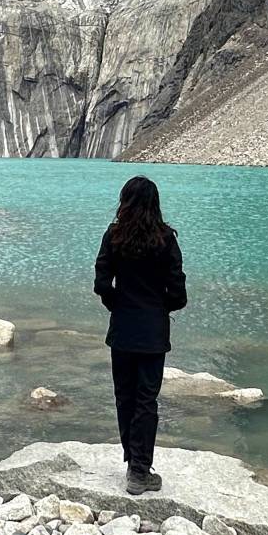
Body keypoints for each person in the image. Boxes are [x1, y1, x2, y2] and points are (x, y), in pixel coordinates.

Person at [93, 175, 187, 495]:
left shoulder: (113, 236)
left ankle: (132, 460)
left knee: (125, 396)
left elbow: (102, 284)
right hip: (153, 333)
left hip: (122, 330)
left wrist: (116, 305)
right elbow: (178, 292)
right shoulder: (166, 240)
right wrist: (162, 308)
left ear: (125, 201)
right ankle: (139, 469)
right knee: (147, 399)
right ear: (155, 204)